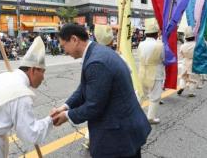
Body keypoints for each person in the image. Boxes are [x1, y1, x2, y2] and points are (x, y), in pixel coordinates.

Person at [51, 23, 151, 158]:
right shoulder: (98, 51)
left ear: (74, 40)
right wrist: (65, 106)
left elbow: (93, 106)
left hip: (119, 136)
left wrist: (67, 116)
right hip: (125, 127)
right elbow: (84, 87)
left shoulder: (96, 62)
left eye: (64, 46)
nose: (64, 51)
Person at [137, 19, 165, 124]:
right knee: (155, 96)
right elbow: (164, 59)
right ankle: (150, 117)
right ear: (156, 33)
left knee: (141, 94)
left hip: (142, 71)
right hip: (155, 73)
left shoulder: (140, 44)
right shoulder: (160, 45)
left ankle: (134, 112)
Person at [177, 26, 200, 97]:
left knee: (183, 76)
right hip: (194, 63)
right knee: (193, 78)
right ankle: (191, 92)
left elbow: (180, 56)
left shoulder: (183, 46)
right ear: (194, 37)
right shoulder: (196, 45)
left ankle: (181, 87)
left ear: (185, 38)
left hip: (185, 62)